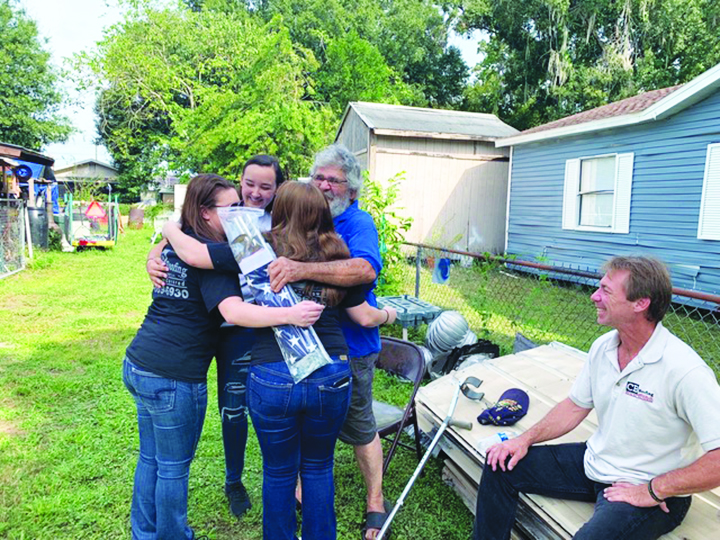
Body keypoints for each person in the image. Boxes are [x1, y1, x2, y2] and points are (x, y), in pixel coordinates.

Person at [126, 173, 322, 540]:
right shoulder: (215, 257)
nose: (240, 214)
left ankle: (145, 533)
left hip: (139, 363)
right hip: (174, 376)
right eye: (231, 209)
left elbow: (178, 247)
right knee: (171, 467)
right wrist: (290, 315)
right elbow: (233, 312)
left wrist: (166, 231)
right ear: (204, 213)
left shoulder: (179, 244)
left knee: (151, 458)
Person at [473, 256, 720, 540]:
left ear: (641, 303)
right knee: (500, 465)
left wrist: (655, 489)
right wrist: (522, 440)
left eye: (606, 291)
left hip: (652, 491)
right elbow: (574, 406)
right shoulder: (604, 347)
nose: (594, 296)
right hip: (595, 461)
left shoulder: (684, 370)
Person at [246, 181, 396, 540]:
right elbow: (361, 312)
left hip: (271, 374)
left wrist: (164, 238)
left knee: (279, 471)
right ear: (323, 213)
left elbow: (203, 255)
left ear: (278, 210)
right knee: (317, 467)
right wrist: (389, 315)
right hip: (331, 373)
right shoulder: (337, 252)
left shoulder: (256, 247)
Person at [147, 155, 285, 518]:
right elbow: (182, 236)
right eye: (248, 183)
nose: (254, 192)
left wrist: (167, 231)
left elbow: (190, 249)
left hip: (242, 326)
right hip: (201, 328)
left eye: (265, 186)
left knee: (233, 408)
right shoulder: (226, 211)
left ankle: (233, 480)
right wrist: (155, 250)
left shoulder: (278, 224)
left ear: (277, 189)